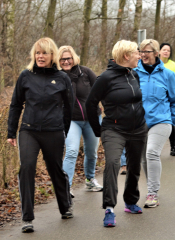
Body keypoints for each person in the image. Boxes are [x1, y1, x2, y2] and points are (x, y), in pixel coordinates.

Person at [7, 37, 74, 233]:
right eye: (37, 52)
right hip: (29, 130)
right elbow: (16, 104)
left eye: (44, 52)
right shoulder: (25, 76)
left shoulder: (62, 78)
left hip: (53, 131)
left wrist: (64, 131)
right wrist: (11, 132)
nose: (40, 56)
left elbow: (68, 109)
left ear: (52, 55)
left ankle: (65, 204)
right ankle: (27, 217)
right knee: (27, 167)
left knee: (55, 169)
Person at [86, 40, 147, 227]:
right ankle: (109, 208)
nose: (140, 55)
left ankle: (130, 201)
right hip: (114, 129)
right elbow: (90, 103)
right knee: (112, 163)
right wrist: (98, 130)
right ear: (126, 56)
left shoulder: (133, 74)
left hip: (138, 129)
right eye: (137, 52)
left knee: (134, 166)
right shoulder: (105, 78)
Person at [135, 39, 175, 207]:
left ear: (156, 53)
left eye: (146, 52)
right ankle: (150, 188)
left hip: (161, 120)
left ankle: (153, 193)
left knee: (151, 152)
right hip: (139, 122)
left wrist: (171, 120)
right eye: (141, 51)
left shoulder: (167, 74)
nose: (142, 55)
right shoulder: (134, 73)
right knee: (143, 159)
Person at [58, 46, 103, 197]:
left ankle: (90, 180)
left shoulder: (86, 72)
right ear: (58, 61)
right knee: (71, 151)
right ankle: (66, 186)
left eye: (68, 58)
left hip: (92, 118)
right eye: (62, 59)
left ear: (74, 58)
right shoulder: (57, 77)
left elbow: (100, 89)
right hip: (72, 121)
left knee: (91, 152)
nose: (66, 61)